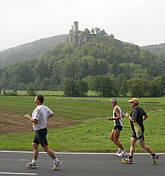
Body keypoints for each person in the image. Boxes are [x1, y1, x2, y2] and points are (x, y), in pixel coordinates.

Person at [24, 94, 62, 170]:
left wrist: (28, 117)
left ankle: (56, 161)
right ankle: (33, 163)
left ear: (38, 100)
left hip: (40, 131)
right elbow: (52, 114)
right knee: (34, 145)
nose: (34, 99)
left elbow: (35, 120)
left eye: (35, 98)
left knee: (46, 148)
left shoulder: (38, 109)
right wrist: (44, 119)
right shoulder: (44, 107)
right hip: (41, 130)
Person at [122, 98, 159, 164]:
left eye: (131, 102)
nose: (130, 104)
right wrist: (141, 121)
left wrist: (128, 116)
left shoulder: (135, 110)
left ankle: (154, 155)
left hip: (138, 130)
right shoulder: (140, 108)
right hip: (137, 129)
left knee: (143, 145)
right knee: (132, 143)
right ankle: (130, 159)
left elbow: (133, 120)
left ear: (134, 103)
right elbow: (146, 115)